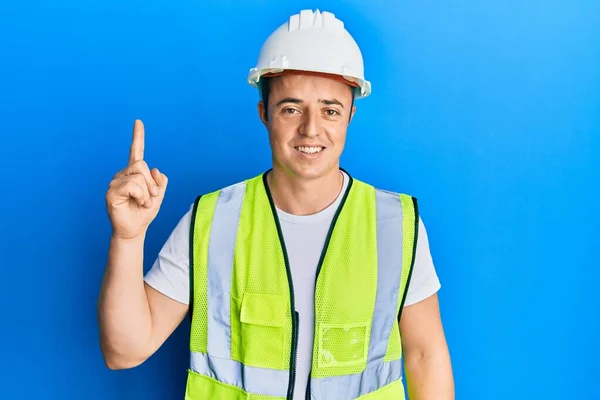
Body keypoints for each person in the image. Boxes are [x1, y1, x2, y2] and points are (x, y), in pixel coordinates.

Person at [98, 9, 454, 400]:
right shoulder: (212, 220)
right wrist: (128, 238)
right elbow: (125, 351)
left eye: (330, 110)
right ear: (264, 114)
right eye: (291, 108)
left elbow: (425, 356)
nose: (310, 128)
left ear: (350, 115)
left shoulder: (394, 225)